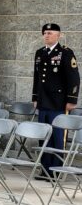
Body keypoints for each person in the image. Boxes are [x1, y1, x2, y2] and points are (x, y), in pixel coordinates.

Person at [32, 23, 80, 180]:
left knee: (58, 137)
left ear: (58, 35)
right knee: (44, 136)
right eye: (45, 33)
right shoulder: (40, 53)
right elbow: (37, 78)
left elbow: (74, 78)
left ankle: (57, 170)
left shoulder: (65, 53)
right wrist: (35, 97)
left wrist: (72, 99)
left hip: (59, 103)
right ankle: (45, 170)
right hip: (43, 102)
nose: (47, 35)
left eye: (50, 33)